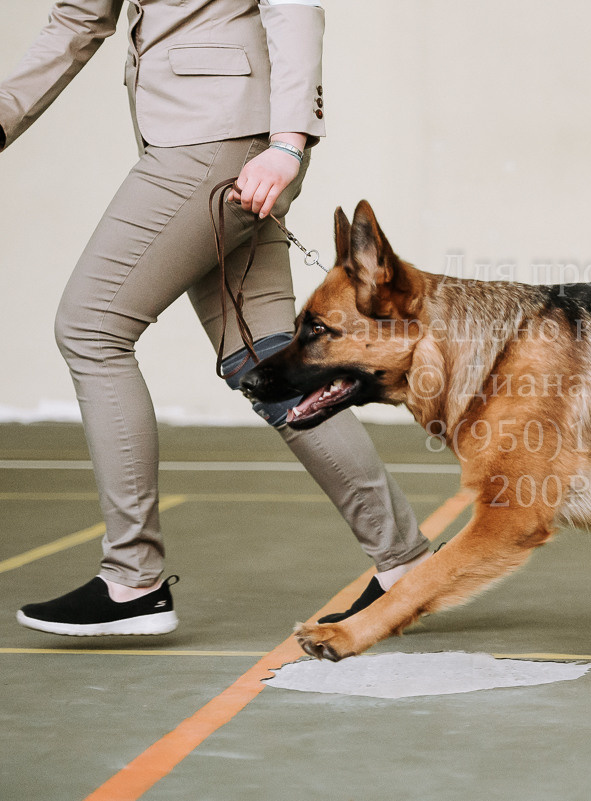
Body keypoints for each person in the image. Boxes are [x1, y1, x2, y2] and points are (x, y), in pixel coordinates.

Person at [1, 0, 428, 636]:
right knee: (270, 361)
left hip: (224, 141)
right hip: (197, 134)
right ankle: (406, 568)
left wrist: (288, 141)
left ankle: (132, 579)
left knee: (91, 329)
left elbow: (292, 6)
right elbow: (78, 18)